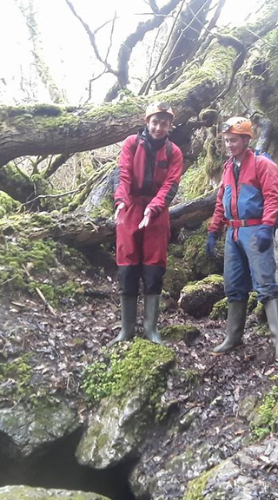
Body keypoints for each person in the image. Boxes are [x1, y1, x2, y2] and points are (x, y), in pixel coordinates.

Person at [205, 116, 278, 363]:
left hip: (255, 230)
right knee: (233, 286)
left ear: (245, 139)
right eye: (226, 141)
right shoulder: (228, 168)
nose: (229, 145)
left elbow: (273, 197)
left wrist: (267, 228)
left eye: (234, 140)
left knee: (265, 283)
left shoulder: (263, 165)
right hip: (233, 233)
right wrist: (213, 231)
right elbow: (222, 201)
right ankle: (233, 337)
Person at [110, 102, 183, 345]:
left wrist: (153, 208)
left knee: (154, 269)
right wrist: (120, 200)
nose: (159, 127)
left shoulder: (174, 152)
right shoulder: (132, 143)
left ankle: (151, 328)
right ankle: (127, 329)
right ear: (147, 122)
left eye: (164, 123)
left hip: (157, 213)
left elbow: (170, 185)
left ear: (170, 126)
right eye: (155, 121)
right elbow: (123, 174)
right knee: (127, 267)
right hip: (130, 208)